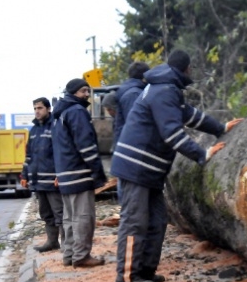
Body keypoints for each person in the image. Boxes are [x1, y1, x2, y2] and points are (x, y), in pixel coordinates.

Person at [110, 50, 242, 282]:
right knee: (135, 222)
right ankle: (126, 278)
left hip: (150, 170)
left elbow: (188, 115)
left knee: (158, 221)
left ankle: (145, 271)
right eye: (191, 69)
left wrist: (220, 127)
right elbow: (171, 133)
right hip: (136, 167)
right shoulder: (164, 89)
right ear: (186, 69)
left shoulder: (167, 88)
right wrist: (202, 154)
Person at [52, 79, 108, 267]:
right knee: (84, 216)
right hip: (79, 173)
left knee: (69, 217)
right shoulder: (77, 112)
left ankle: (69, 255)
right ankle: (82, 256)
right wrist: (98, 173)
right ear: (74, 92)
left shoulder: (59, 115)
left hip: (65, 174)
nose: (87, 95)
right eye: (84, 91)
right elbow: (86, 145)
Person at [21, 97, 64, 253]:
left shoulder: (54, 126)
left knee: (59, 213)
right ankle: (52, 242)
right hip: (38, 180)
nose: (37, 111)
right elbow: (29, 155)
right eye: (35, 108)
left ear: (48, 109)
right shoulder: (34, 130)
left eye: (40, 108)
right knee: (46, 213)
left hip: (52, 180)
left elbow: (60, 153)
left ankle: (67, 244)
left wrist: (60, 174)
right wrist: (24, 175)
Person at [111, 61, 150, 202]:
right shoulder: (134, 94)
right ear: (144, 77)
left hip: (127, 150)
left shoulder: (131, 91)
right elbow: (136, 125)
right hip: (131, 153)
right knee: (131, 201)